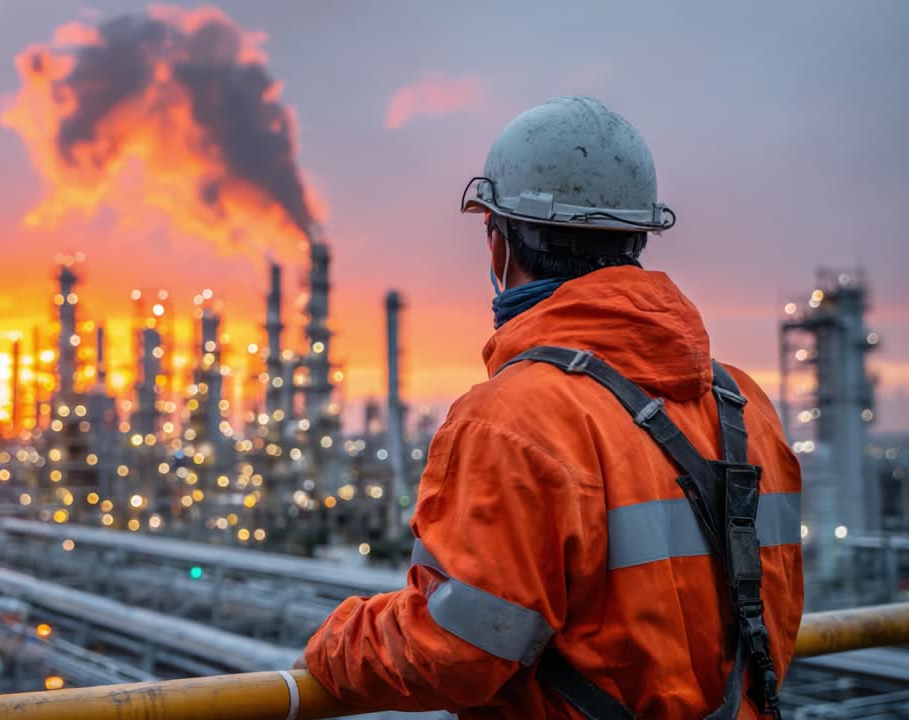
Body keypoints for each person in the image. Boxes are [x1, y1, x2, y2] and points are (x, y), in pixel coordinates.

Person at [301, 96, 803, 719]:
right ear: (639, 237)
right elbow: (776, 613)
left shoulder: (510, 421)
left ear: (498, 245)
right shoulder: (745, 405)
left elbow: (453, 651)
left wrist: (333, 644)